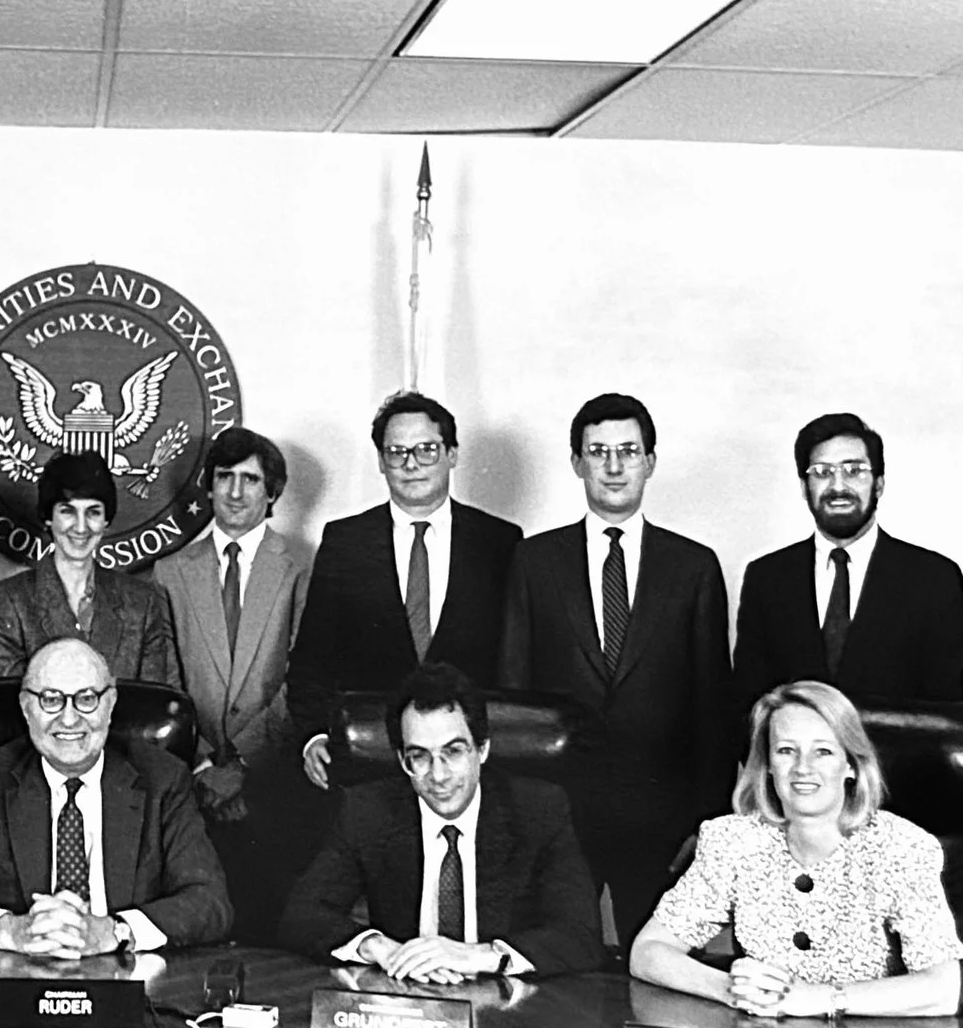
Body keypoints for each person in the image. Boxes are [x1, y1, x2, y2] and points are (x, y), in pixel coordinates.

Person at [502, 393, 731, 950]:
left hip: (662, 816)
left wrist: (707, 821)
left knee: (658, 969)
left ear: (650, 461)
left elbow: (713, 705)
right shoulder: (535, 562)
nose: (613, 465)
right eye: (597, 451)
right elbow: (513, 694)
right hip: (557, 811)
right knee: (552, 960)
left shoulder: (693, 566)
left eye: (628, 451)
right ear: (577, 462)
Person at [631, 681, 963, 1018]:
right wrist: (730, 990)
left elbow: (942, 989)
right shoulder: (733, 841)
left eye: (823, 751)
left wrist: (818, 1000)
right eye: (786, 750)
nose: (803, 768)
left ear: (850, 765)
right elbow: (647, 952)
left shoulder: (900, 848)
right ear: (768, 764)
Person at [0, 639, 232, 952]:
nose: (69, 719)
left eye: (86, 698)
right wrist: (9, 929)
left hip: (128, 980)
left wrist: (115, 932)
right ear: (27, 708)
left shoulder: (164, 779)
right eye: (51, 699)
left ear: (110, 705)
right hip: (19, 977)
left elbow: (210, 902)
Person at [278, 664, 603, 981]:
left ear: (483, 749)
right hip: (409, 998)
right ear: (403, 759)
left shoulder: (537, 810)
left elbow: (580, 935)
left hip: (508, 1006)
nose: (438, 774)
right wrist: (380, 949)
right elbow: (302, 914)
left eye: (454, 751)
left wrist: (478, 956)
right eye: (419, 756)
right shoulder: (367, 810)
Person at [285, 391, 522, 792]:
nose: (411, 464)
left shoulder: (500, 542)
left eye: (426, 449)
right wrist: (314, 734)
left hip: (470, 767)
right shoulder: (345, 542)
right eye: (396, 452)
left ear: (452, 454)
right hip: (368, 761)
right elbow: (312, 657)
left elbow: (515, 663)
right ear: (381, 461)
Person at [146, 428, 305, 938]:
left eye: (250, 480)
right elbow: (163, 678)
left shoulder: (304, 566)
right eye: (224, 478)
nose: (236, 492)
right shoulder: (170, 572)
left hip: (270, 777)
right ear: (208, 488)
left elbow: (302, 675)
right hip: (191, 781)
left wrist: (238, 761)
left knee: (267, 925)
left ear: (273, 492)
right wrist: (200, 761)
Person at [732, 412, 963, 714]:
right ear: (803, 487)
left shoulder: (934, 579)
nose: (838, 486)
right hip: (797, 761)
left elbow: (950, 711)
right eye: (821, 472)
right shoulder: (766, 578)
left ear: (879, 484)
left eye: (854, 471)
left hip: (899, 761)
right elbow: (749, 703)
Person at [0, 452, 182, 688]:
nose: (81, 527)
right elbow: (10, 702)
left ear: (106, 520)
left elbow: (154, 705)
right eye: (67, 511)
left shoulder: (142, 602)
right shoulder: (10, 599)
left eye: (93, 512)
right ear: (48, 517)